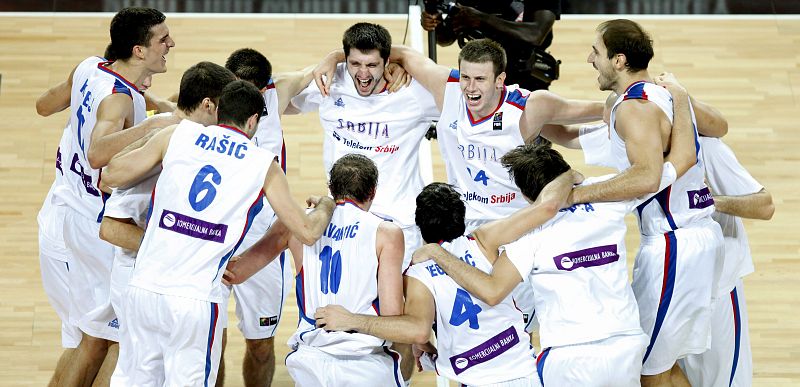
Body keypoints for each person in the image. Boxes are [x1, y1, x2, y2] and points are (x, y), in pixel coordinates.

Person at [409, 79, 699, 386]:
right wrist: (681, 98)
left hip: (568, 357)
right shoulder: (608, 198)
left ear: (527, 196)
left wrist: (438, 253)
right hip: (625, 344)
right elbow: (685, 157)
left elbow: (493, 291)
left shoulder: (528, 236)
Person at [102, 80, 335, 386]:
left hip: (143, 288)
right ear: (253, 121)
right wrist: (327, 205)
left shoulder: (177, 134)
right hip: (194, 298)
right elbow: (306, 232)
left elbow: (109, 175)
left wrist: (156, 126)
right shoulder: (263, 164)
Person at [377, 38, 601, 333]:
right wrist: (334, 59)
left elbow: (598, 110)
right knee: (466, 327)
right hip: (466, 230)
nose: (470, 87)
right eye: (466, 77)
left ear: (500, 80)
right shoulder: (448, 88)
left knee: (518, 325)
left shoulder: (528, 107)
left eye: (480, 79)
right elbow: (401, 52)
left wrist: (643, 99)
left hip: (515, 228)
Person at [575, 19, 724, 386]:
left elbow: (646, 177)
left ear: (619, 60)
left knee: (647, 370)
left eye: (596, 52)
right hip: (693, 237)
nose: (589, 59)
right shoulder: (661, 93)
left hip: (674, 242)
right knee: (666, 365)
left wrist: (578, 195)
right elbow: (720, 125)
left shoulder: (634, 109)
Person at [313, 179, 577, 387]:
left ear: (419, 226)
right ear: (462, 219)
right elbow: (545, 207)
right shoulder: (483, 240)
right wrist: (568, 176)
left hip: (474, 377)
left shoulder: (419, 273)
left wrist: (354, 320)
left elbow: (417, 328)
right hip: (522, 371)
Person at [34, 7, 176, 387]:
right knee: (109, 340)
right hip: (90, 228)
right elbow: (98, 153)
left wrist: (153, 105)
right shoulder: (119, 99)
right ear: (139, 50)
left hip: (58, 211)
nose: (171, 44)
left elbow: (44, 104)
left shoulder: (90, 66)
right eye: (162, 39)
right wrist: (156, 125)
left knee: (86, 338)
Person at [98, 61, 236, 385]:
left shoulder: (188, 143)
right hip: (145, 279)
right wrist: (181, 249)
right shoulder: (159, 150)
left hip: (168, 280)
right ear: (207, 105)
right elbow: (111, 227)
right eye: (225, 109)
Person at [223, 154, 405, 387]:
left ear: (331, 188)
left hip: (312, 363)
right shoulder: (386, 232)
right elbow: (392, 317)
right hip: (366, 363)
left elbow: (236, 273)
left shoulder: (295, 225)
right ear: (373, 192)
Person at [219, 47, 315, 387]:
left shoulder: (277, 94)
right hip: (212, 241)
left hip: (262, 243)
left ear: (263, 90)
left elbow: (314, 70)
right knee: (211, 343)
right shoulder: (208, 102)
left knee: (260, 345)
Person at [421, 0, 562, 91]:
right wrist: (436, 25)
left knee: (528, 135)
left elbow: (536, 33)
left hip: (526, 81)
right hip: (481, 79)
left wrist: (481, 19)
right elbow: (447, 38)